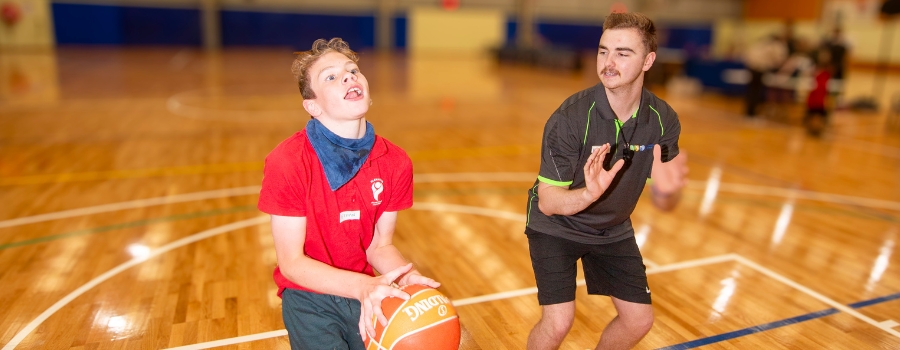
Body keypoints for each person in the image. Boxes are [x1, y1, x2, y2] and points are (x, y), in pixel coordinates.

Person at [257, 38, 440, 349]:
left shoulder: (395, 161)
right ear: (312, 106)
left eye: (353, 70)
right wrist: (364, 286)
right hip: (308, 298)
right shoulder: (287, 161)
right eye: (330, 76)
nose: (349, 77)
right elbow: (291, 262)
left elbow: (379, 246)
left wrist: (404, 278)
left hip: (363, 290)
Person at [524, 12, 688, 350]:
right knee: (558, 323)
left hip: (612, 230)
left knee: (639, 320)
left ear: (648, 60)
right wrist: (590, 194)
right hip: (557, 227)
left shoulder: (663, 120)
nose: (608, 62)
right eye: (603, 51)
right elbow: (549, 202)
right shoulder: (570, 117)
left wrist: (668, 194)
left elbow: (665, 200)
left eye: (622, 53)